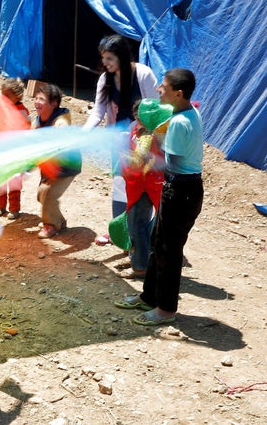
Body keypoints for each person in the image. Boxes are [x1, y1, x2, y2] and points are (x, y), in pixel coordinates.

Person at [115, 69, 203, 326]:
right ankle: (148, 297)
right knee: (158, 242)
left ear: (178, 93)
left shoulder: (179, 122)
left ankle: (166, 309)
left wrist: (143, 156)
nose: (158, 90)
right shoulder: (185, 113)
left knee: (169, 250)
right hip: (180, 188)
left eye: (163, 87)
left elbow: (170, 164)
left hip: (181, 190)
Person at [83, 35, 158, 246]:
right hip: (119, 143)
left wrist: (148, 139)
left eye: (109, 58)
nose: (105, 63)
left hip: (143, 143)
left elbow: (155, 109)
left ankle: (140, 234)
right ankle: (119, 232)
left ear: (122, 56)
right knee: (119, 184)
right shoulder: (105, 79)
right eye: (103, 58)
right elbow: (98, 110)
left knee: (142, 187)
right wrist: (85, 132)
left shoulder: (143, 74)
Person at [114, 99, 170, 279]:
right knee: (140, 224)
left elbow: (141, 160)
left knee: (136, 225)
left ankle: (140, 266)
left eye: (142, 117)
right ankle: (139, 258)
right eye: (137, 117)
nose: (138, 121)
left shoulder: (150, 136)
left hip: (146, 187)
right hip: (139, 184)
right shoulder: (138, 130)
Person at [32, 84, 82, 239]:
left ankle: (52, 225)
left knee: (48, 195)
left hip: (66, 166)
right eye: (36, 98)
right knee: (41, 195)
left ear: (53, 104)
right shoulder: (38, 121)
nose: (37, 102)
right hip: (48, 166)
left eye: (42, 99)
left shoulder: (61, 124)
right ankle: (58, 220)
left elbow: (61, 143)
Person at [0, 78, 31, 220]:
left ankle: (14, 208)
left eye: (7, 96)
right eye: (2, 95)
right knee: (0, 180)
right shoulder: (0, 109)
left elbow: (26, 132)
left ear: (18, 96)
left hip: (16, 154)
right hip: (0, 152)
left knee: (14, 181)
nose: (3, 98)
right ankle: (0, 206)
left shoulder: (22, 112)